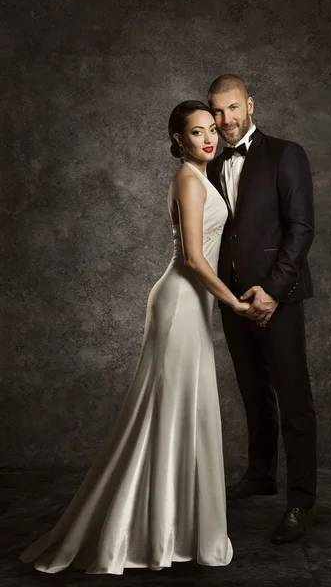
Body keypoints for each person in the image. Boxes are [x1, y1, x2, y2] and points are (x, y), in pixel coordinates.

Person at [19, 100, 249, 574]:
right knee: (167, 411)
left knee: (187, 409)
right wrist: (233, 302)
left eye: (211, 130)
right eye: (196, 132)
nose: (209, 138)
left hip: (191, 305)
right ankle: (152, 533)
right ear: (177, 141)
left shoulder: (203, 177)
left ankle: (179, 529)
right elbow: (191, 257)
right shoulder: (188, 179)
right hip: (180, 304)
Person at [206, 74, 317, 545]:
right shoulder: (211, 163)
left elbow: (301, 228)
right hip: (233, 300)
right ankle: (259, 475)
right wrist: (228, 295)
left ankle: (301, 500)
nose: (226, 120)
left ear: (250, 105)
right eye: (217, 111)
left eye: (233, 108)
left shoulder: (285, 154)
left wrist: (271, 290)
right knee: (253, 394)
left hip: (279, 298)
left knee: (294, 402)